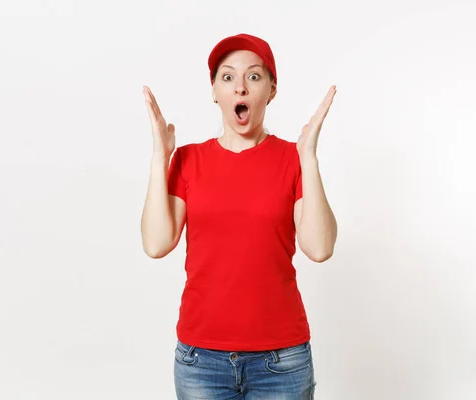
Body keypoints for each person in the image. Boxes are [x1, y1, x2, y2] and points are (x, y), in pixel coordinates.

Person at [141, 33, 337, 400]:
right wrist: (159, 157)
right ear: (215, 91)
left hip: (282, 362)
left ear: (271, 90)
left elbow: (320, 247)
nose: (241, 87)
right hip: (201, 361)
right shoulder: (187, 160)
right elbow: (155, 243)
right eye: (228, 77)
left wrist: (308, 156)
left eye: (254, 76)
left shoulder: (292, 159)